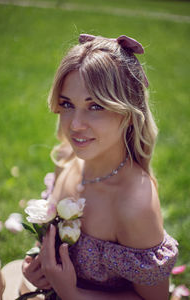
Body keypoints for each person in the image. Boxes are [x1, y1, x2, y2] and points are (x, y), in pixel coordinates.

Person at [22, 34, 178, 300]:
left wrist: (72, 293)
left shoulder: (134, 205)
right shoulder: (68, 158)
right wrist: (39, 266)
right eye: (67, 104)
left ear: (130, 113)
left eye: (95, 106)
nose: (74, 125)